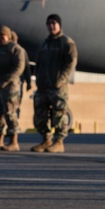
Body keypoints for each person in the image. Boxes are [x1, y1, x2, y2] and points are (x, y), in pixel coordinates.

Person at [31, 14, 77, 153]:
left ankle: (59, 142)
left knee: (59, 115)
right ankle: (46, 140)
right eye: (49, 23)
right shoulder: (45, 44)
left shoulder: (66, 43)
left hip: (57, 87)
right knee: (40, 115)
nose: (52, 26)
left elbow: (71, 63)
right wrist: (38, 79)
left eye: (54, 23)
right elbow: (38, 62)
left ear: (59, 25)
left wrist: (61, 80)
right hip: (43, 86)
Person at [0, 26, 29, 151]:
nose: (0, 38)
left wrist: (7, 79)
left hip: (10, 87)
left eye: (2, 36)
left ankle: (13, 141)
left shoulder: (16, 49)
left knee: (10, 113)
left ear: (8, 36)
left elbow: (19, 67)